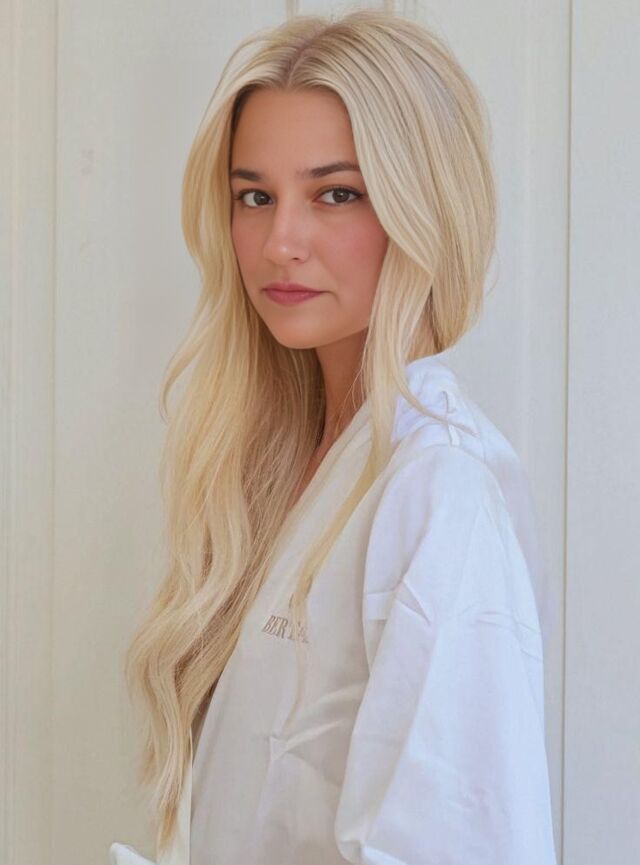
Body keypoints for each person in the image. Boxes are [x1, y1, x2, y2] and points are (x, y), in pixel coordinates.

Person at [110, 7, 557, 865]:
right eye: (255, 196)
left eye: (336, 194)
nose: (280, 242)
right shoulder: (281, 471)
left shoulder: (440, 489)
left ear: (422, 206)